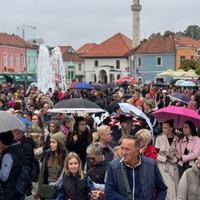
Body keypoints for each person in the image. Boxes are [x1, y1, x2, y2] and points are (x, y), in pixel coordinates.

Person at [104, 135, 167, 200]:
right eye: (122, 148)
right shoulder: (113, 167)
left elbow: (162, 189)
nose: (123, 152)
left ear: (137, 150)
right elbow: (108, 193)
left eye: (127, 149)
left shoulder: (150, 165)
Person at [155, 120, 180, 200]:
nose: (163, 129)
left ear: (171, 128)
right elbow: (155, 154)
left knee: (175, 187)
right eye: (163, 128)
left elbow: (179, 153)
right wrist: (165, 158)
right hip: (163, 167)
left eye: (165, 128)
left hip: (174, 167)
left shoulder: (177, 139)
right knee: (168, 188)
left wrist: (175, 158)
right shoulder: (159, 138)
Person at [38, 132, 67, 199]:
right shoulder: (48, 154)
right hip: (47, 189)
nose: (51, 144)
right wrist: (39, 191)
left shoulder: (66, 156)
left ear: (60, 144)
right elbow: (42, 174)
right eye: (50, 142)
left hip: (60, 190)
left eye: (54, 142)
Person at [0, 131, 22, 200]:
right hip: (15, 189)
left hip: (8, 192)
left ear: (2, 142)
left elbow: (3, 176)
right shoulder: (17, 148)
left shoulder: (8, 155)